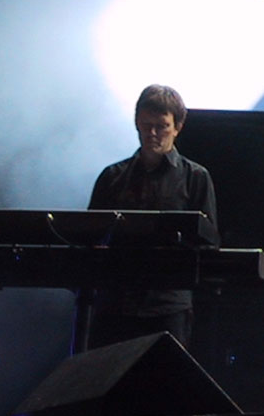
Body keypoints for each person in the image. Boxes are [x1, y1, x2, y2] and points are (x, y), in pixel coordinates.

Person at [87, 84, 218, 348]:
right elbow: (88, 237)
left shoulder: (195, 177)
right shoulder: (112, 177)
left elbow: (209, 242)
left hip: (166, 305)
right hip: (116, 305)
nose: (152, 134)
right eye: (146, 126)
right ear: (136, 123)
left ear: (177, 127)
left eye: (161, 126)